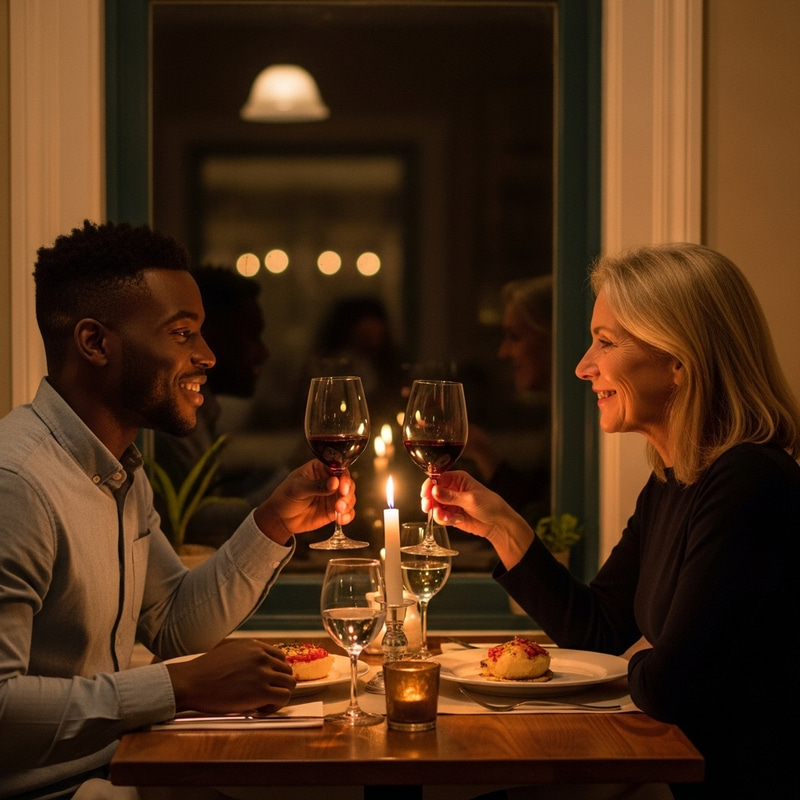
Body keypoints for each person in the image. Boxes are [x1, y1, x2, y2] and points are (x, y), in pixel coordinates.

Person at [422, 244, 800, 798]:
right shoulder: (675, 481)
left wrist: (649, 661)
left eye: (606, 341)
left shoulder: (747, 483)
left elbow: (674, 687)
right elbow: (600, 633)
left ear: (679, 358)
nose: (582, 366)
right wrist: (502, 526)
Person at [0, 221, 357, 799]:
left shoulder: (120, 471)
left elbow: (173, 623)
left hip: (121, 774)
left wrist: (274, 521)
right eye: (182, 333)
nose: (207, 356)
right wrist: (178, 686)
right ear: (95, 343)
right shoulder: (16, 483)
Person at [151, 265, 287, 549]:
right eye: (252, 336)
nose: (264, 352)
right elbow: (188, 525)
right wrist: (283, 500)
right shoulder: (170, 419)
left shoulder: (201, 412)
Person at [463, 275, 552, 524]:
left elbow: (536, 519)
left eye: (514, 337)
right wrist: (481, 450)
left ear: (554, 337)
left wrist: (483, 452)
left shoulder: (586, 426)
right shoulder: (559, 418)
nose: (503, 352)